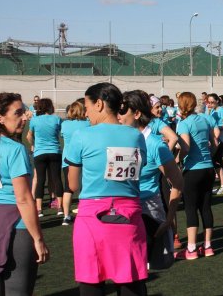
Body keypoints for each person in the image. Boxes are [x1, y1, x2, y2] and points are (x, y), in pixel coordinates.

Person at [66, 82, 148, 295]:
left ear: (99, 104)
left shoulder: (81, 136)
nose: (86, 112)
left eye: (87, 105)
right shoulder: (135, 136)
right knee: (131, 281)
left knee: (91, 280)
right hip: (129, 216)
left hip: (92, 217)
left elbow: (73, 185)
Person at [0, 93, 49, 295]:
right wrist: (38, 238)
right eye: (18, 113)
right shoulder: (15, 149)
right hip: (16, 227)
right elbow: (24, 198)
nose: (25, 117)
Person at [118, 90, 183, 268]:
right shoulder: (120, 139)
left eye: (122, 111)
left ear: (137, 114)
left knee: (144, 269)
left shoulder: (155, 144)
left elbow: (178, 183)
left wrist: (169, 221)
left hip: (149, 213)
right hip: (124, 213)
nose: (118, 116)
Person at [176, 92, 218, 259]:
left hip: (193, 169)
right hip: (208, 168)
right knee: (206, 207)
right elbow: (214, 142)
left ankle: (191, 249)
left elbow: (185, 147)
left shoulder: (184, 123)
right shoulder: (205, 119)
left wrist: (176, 160)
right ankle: (208, 246)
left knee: (191, 208)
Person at [26, 98, 63, 217]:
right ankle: (60, 207)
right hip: (55, 152)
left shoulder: (35, 120)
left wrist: (33, 145)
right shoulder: (57, 119)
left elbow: (28, 136)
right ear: (50, 107)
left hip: (40, 153)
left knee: (41, 180)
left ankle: (39, 209)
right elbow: (61, 134)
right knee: (57, 178)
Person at [60, 100, 90, 225]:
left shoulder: (65, 124)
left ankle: (66, 216)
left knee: (68, 188)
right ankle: (84, 213)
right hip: (84, 159)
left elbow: (62, 136)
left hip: (68, 159)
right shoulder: (88, 124)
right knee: (85, 187)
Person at [204, 93, 223, 195]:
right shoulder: (210, 110)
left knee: (217, 161)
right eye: (208, 102)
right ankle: (217, 185)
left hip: (220, 138)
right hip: (213, 137)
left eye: (212, 102)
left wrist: (215, 127)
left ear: (217, 101)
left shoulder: (221, 110)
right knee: (213, 163)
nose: (210, 104)